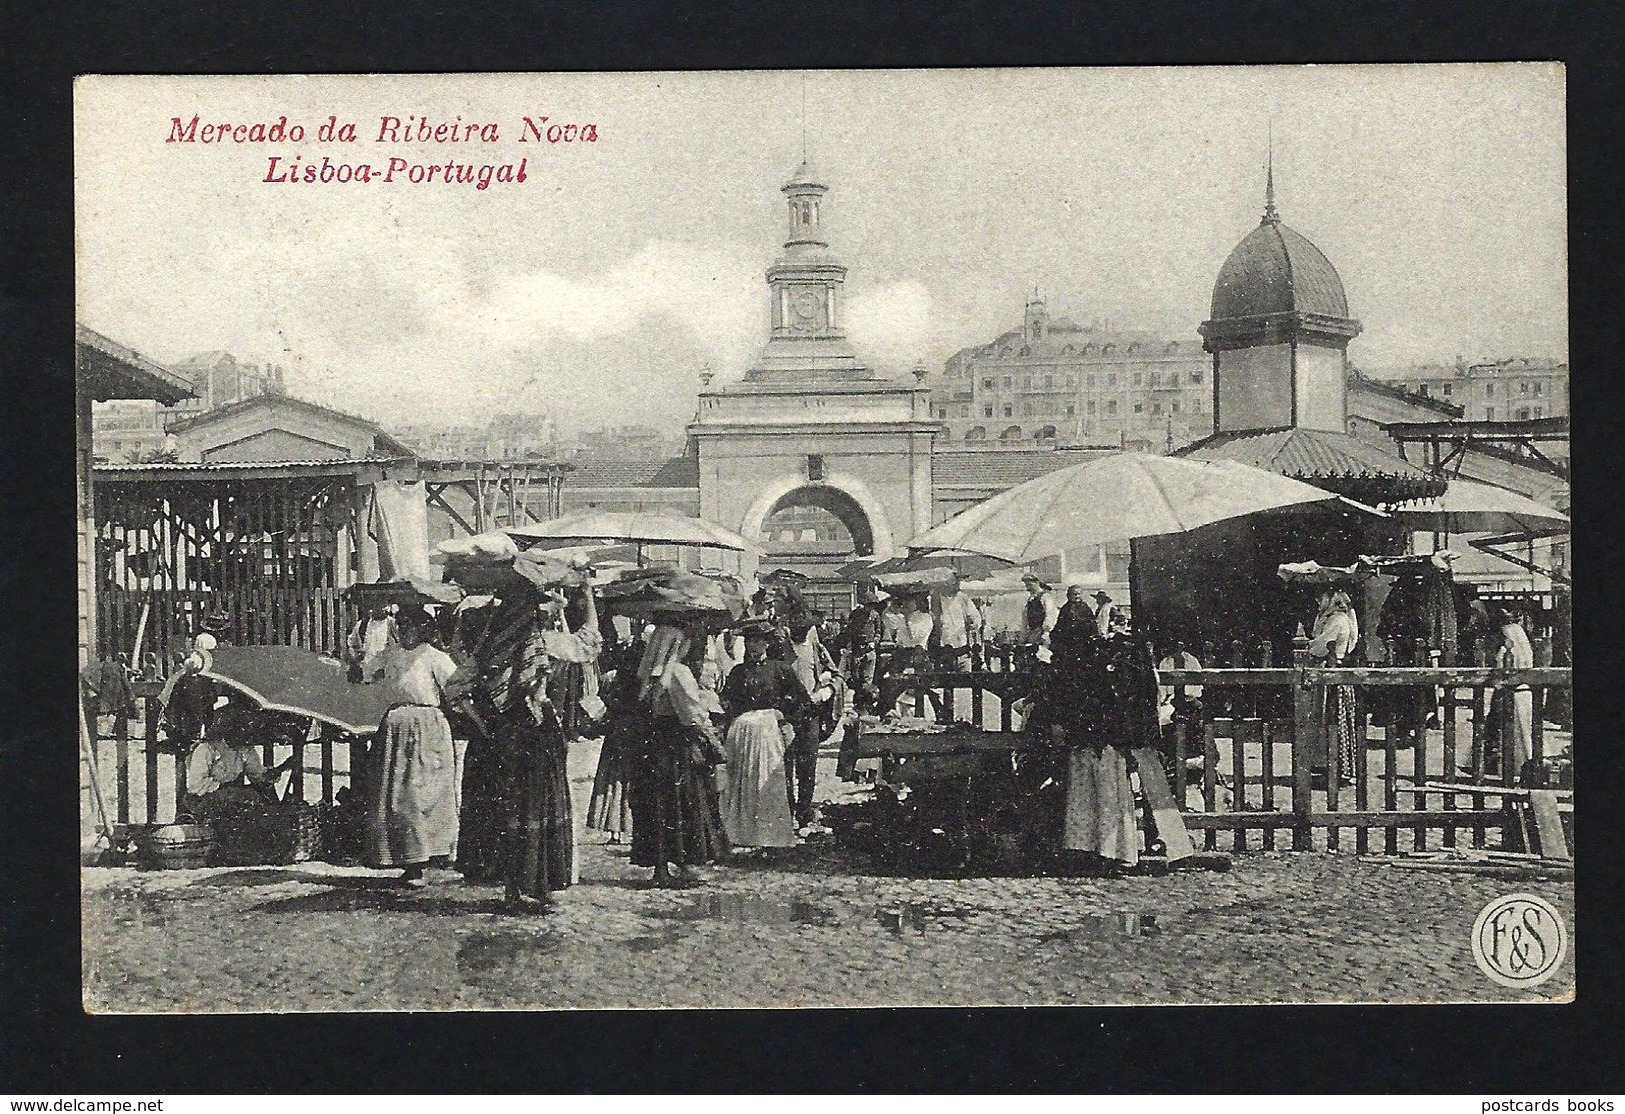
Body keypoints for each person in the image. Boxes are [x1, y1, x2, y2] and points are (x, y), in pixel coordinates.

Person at [363, 605, 461, 888]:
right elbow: (367, 672)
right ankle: (409, 862)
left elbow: (456, 688)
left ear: (424, 628)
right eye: (401, 624)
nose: (404, 629)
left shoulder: (435, 658)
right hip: (396, 728)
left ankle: (434, 854)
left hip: (428, 727)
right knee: (398, 795)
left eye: (410, 624)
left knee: (427, 793)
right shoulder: (391, 654)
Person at [630, 622, 729, 886]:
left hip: (651, 745)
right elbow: (691, 715)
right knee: (682, 801)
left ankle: (660, 865)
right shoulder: (679, 672)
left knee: (656, 804)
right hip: (676, 743)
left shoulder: (647, 674)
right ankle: (684, 861)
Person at [718, 621, 814, 850]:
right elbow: (727, 700)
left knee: (770, 779)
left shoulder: (780, 669)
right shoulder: (738, 671)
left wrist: (784, 716)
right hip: (745, 732)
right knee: (746, 779)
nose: (755, 646)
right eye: (751, 641)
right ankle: (745, 832)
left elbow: (802, 699)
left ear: (768, 643)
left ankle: (771, 834)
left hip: (770, 730)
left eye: (760, 641)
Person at [784, 610, 839, 829]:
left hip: (810, 713)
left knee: (808, 766)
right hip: (787, 714)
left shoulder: (817, 650)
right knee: (785, 765)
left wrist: (825, 692)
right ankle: (787, 810)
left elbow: (836, 676)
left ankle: (804, 810)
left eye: (803, 626)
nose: (798, 630)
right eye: (794, 625)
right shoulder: (781, 650)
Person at [1306, 587, 1360, 785]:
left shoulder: (1337, 621)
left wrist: (1310, 644)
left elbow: (1320, 646)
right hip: (1332, 671)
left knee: (1331, 720)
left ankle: (1335, 768)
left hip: (1331, 673)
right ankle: (1331, 767)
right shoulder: (1337, 619)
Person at [1488, 604, 1535, 782]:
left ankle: (1508, 770)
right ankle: (1525, 767)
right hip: (1525, 692)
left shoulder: (1504, 649)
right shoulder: (1524, 644)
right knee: (1525, 734)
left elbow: (1499, 677)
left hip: (1510, 694)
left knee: (1507, 732)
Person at [932, 573, 983, 673]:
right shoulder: (935, 599)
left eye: (958, 583)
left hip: (962, 648)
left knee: (965, 679)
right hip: (944, 649)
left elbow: (976, 618)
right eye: (955, 583)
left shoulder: (963, 598)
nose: (958, 585)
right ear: (945, 583)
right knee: (947, 682)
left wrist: (972, 622)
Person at [346, 604, 399, 683]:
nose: (383, 608)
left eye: (385, 605)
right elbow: (352, 644)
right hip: (366, 675)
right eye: (379, 605)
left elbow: (399, 646)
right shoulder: (362, 624)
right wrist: (357, 658)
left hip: (386, 676)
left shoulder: (392, 624)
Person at [1021, 573, 1059, 657]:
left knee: (1043, 657)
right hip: (1034, 632)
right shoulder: (1031, 599)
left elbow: (1050, 614)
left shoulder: (1046, 597)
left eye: (1030, 585)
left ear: (1037, 583)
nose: (1028, 588)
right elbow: (1026, 618)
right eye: (1026, 585)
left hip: (1043, 633)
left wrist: (1046, 632)